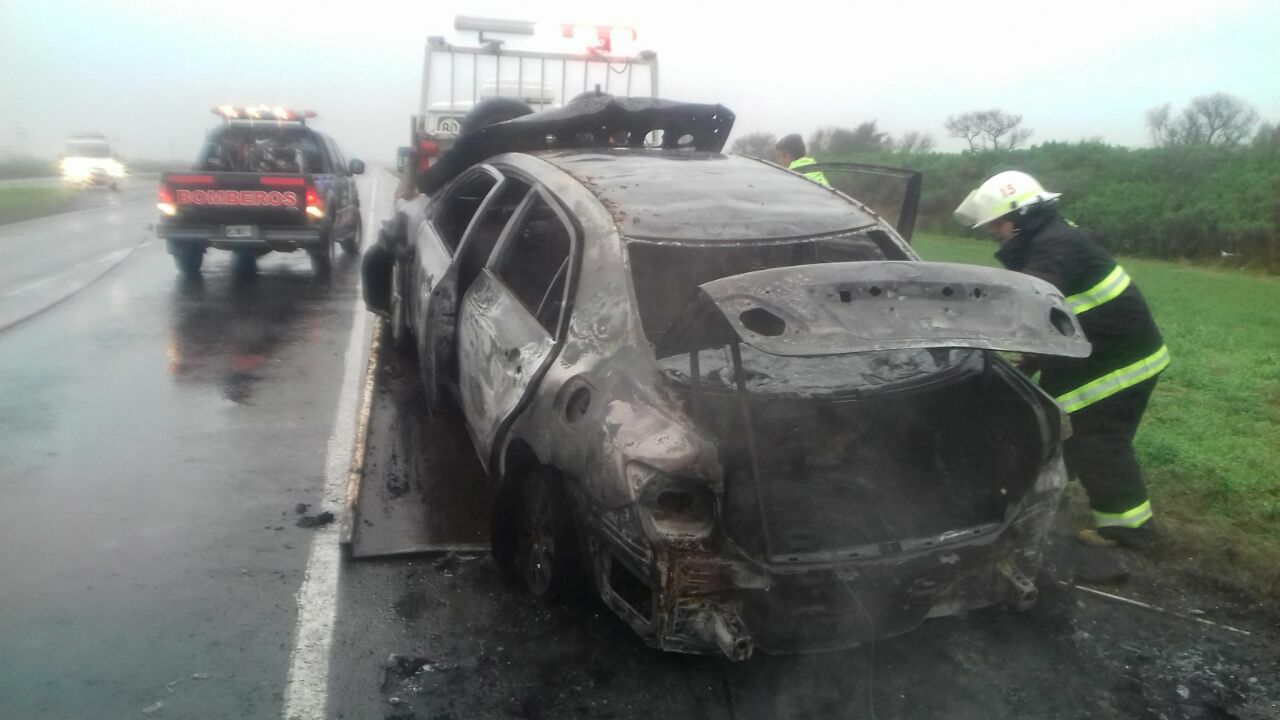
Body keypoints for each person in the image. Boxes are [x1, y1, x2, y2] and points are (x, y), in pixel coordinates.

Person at [955, 171, 1168, 549]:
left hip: (1119, 360)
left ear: (1019, 218)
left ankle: (1130, 530)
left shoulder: (1055, 247)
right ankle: (1042, 492)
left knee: (1098, 438)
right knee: (1060, 425)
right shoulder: (1049, 238)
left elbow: (1030, 301)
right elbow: (1056, 312)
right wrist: (1031, 358)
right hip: (1098, 352)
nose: (994, 233)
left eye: (997, 224)